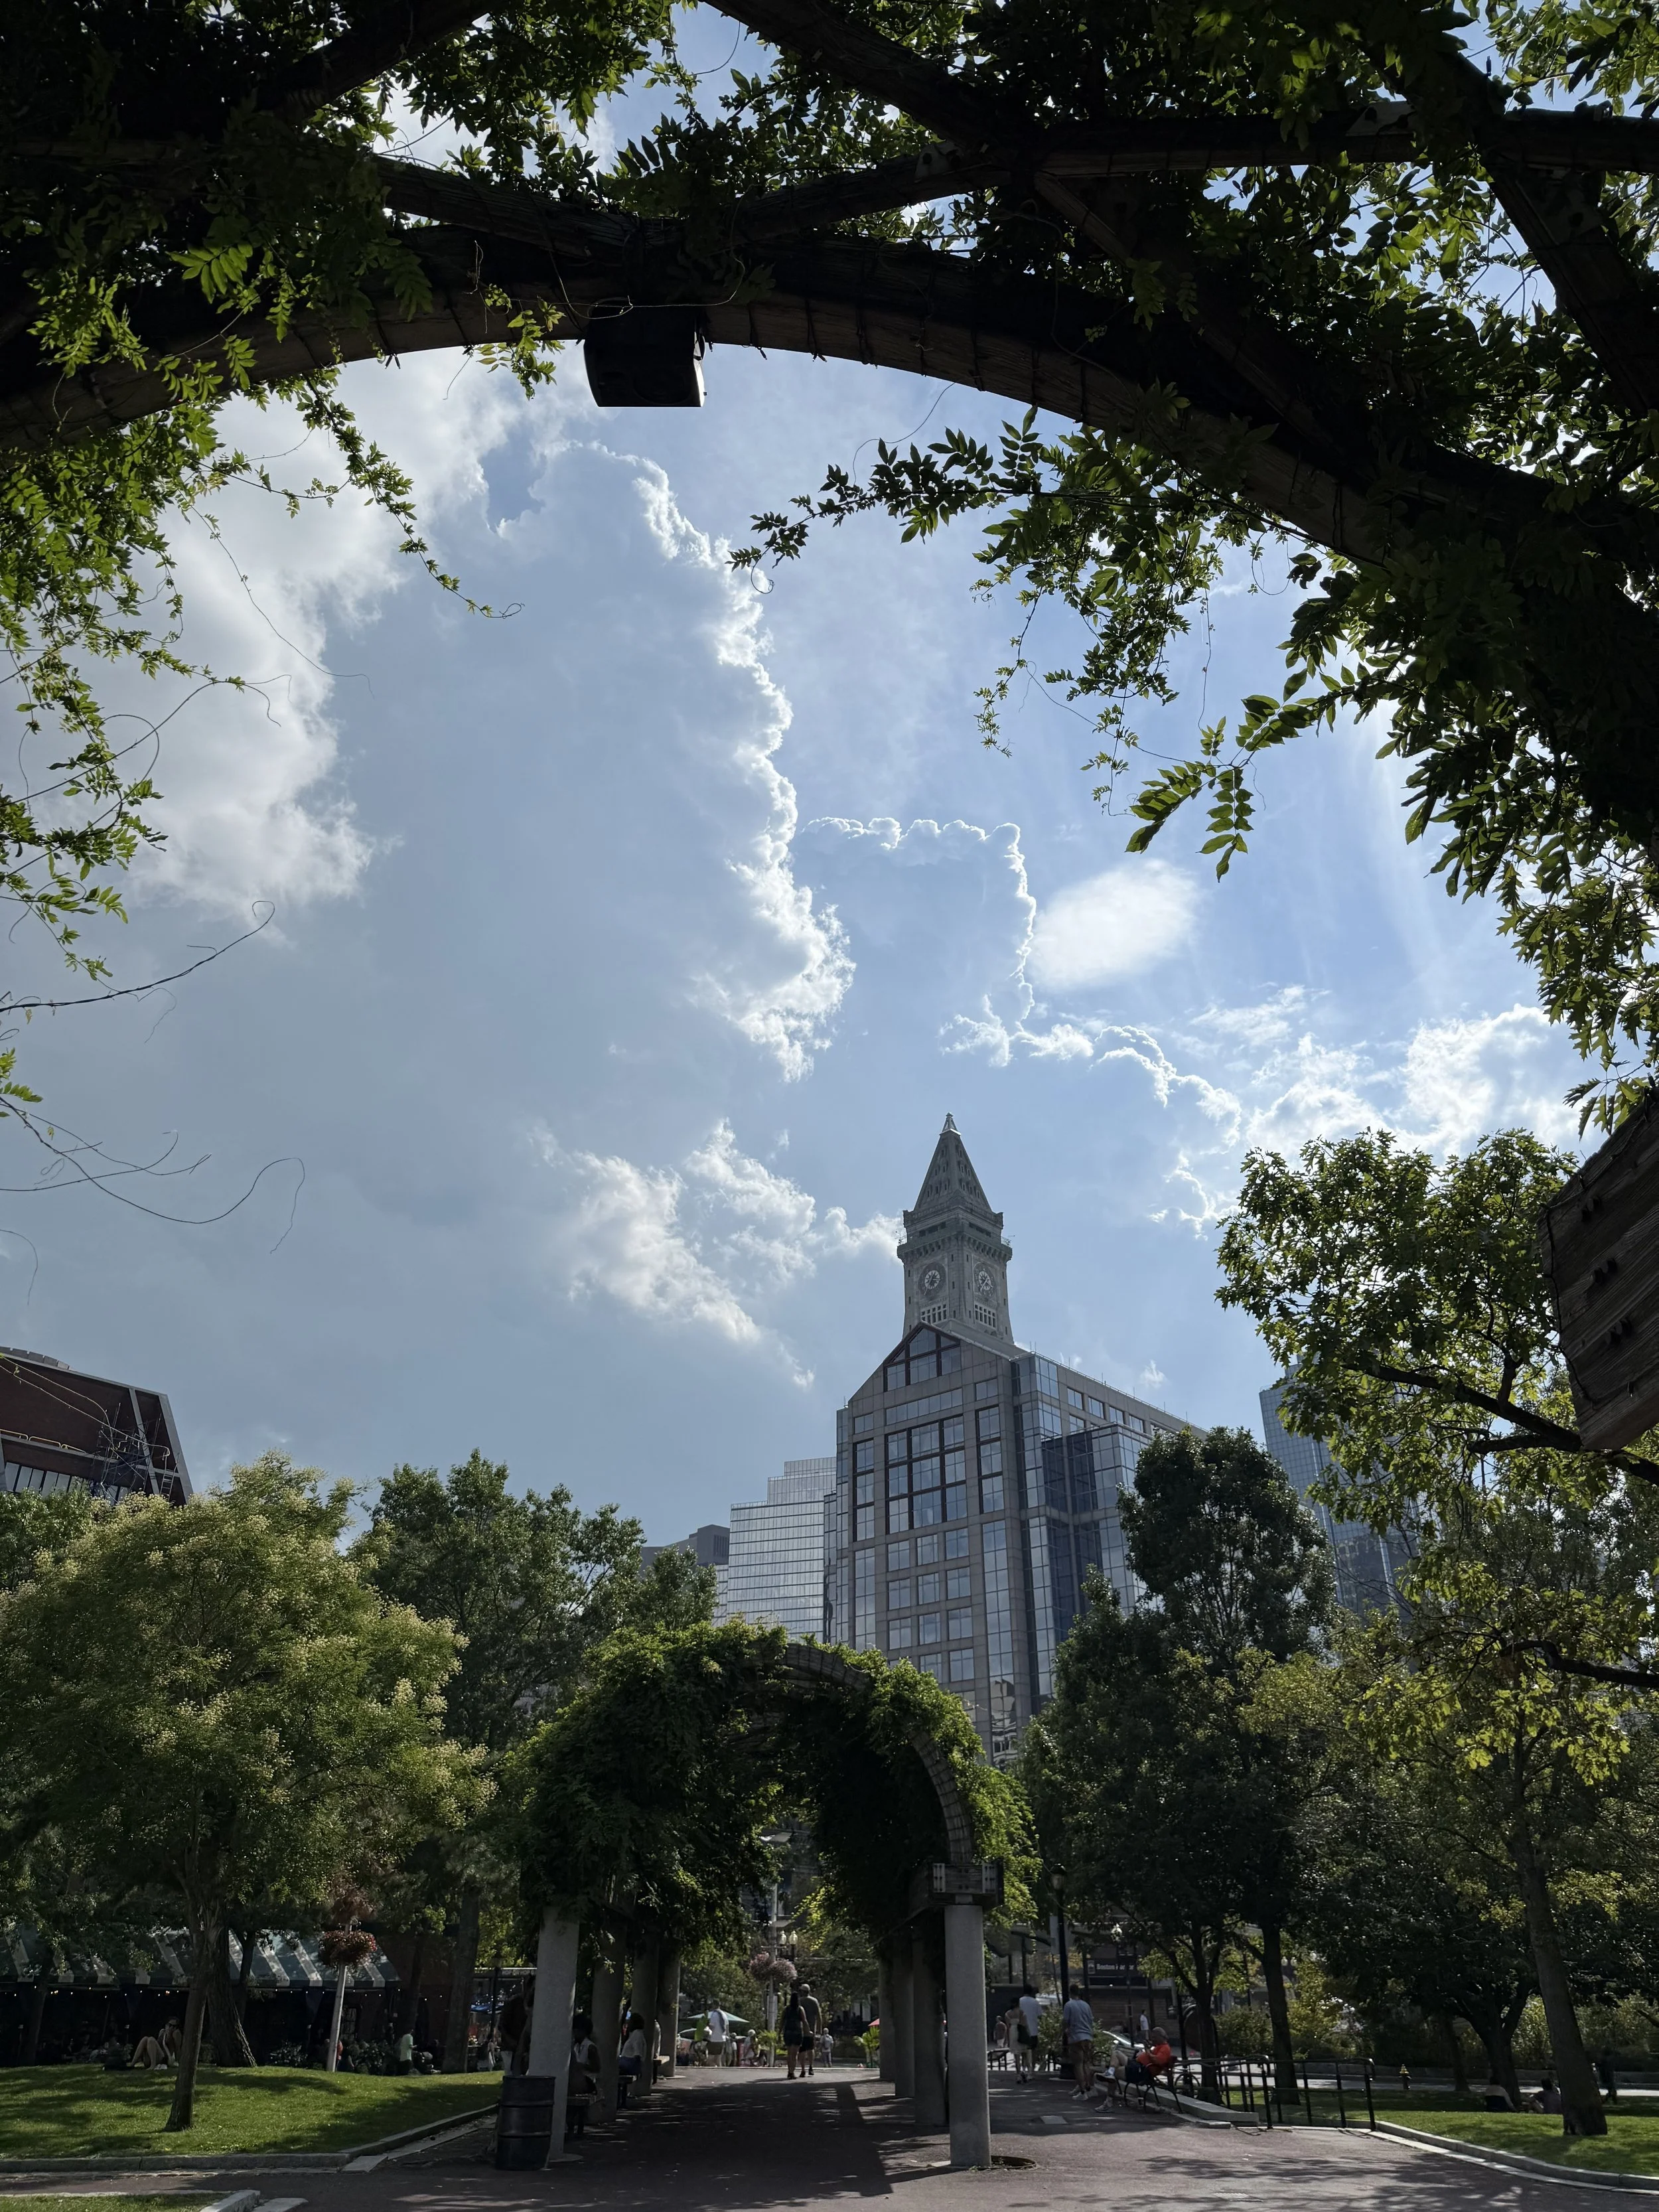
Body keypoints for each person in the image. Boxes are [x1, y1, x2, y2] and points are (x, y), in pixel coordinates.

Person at [567, 2012, 598, 2139]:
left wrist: (582, 2066)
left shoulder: (590, 2047)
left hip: (588, 2079)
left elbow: (597, 2068)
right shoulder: (575, 2045)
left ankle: (573, 2126)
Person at [1061, 1992, 1096, 2099]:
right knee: (1086, 2063)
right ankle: (1090, 2087)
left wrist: (1065, 2032)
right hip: (1087, 2037)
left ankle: (1082, 2091)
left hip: (1076, 2037)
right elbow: (1091, 2020)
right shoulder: (1086, 2005)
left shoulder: (1069, 2005)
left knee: (1078, 2065)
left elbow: (1066, 2021)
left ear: (1070, 1993)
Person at [617, 2012, 648, 2106]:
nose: (628, 2024)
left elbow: (637, 2053)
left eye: (630, 2022)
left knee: (612, 2071)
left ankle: (618, 2100)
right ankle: (620, 2099)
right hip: (630, 2063)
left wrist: (639, 2069)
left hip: (630, 2064)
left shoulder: (637, 2035)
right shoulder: (636, 2034)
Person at [1017, 1986, 1043, 2077]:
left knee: (1023, 2050)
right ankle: (1032, 2070)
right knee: (1033, 2050)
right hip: (1033, 2029)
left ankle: (1024, 2068)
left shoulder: (1019, 2001)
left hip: (1022, 2030)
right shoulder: (1035, 2002)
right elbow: (1040, 2016)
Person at [705, 2003, 729, 2067]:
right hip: (722, 2039)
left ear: (714, 2005)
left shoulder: (714, 2014)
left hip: (714, 2039)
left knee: (710, 2059)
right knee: (718, 2059)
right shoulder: (724, 2014)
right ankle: (719, 2071)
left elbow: (712, 2027)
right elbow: (727, 2027)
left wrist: (708, 2027)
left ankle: (713, 2069)